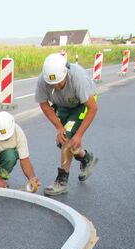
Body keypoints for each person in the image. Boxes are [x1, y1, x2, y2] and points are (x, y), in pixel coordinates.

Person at [35, 53, 99, 196]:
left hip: (83, 104)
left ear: (65, 73)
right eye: (52, 84)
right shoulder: (43, 81)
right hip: (63, 104)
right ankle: (86, 158)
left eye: (59, 82)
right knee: (63, 141)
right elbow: (44, 105)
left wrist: (79, 135)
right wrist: (59, 127)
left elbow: (93, 108)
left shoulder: (77, 77)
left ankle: (62, 181)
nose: (56, 87)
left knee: (68, 139)